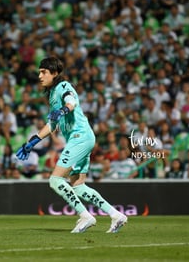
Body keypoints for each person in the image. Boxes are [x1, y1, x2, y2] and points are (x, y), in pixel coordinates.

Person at [16, 57, 127, 233]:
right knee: (79, 186)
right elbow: (52, 124)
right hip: (83, 138)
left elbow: (71, 102)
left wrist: (64, 110)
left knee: (55, 180)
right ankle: (116, 215)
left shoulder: (63, 86)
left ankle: (85, 216)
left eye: (43, 72)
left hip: (79, 137)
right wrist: (32, 142)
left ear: (55, 73)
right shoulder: (52, 94)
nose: (39, 76)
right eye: (39, 72)